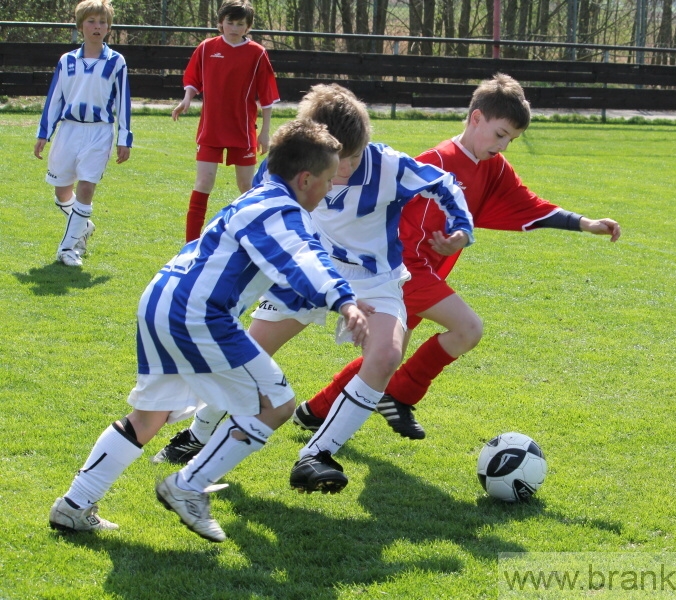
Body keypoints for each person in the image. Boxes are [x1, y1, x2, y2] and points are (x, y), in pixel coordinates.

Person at [48, 119, 369, 543]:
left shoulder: (261, 195)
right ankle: (187, 487)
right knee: (275, 403)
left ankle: (73, 505)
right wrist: (344, 300)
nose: (330, 189)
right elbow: (304, 257)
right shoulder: (279, 209)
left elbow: (294, 263)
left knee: (149, 415)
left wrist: (334, 295)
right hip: (198, 314)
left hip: (163, 298)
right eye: (327, 180)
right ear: (305, 178)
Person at [152, 84, 474, 494]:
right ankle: (197, 434)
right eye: (340, 159)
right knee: (245, 357)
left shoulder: (388, 166)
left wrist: (461, 231)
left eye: (355, 157)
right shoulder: (290, 165)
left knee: (387, 353)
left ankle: (316, 454)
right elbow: (254, 214)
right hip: (306, 274)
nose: (345, 168)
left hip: (375, 280)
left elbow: (444, 184)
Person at [297, 73, 622, 441]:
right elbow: (385, 219)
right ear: (476, 118)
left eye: (511, 140)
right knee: (468, 329)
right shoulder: (434, 161)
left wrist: (584, 223)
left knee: (386, 356)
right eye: (500, 134)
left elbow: (526, 204)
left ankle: (315, 411)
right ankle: (399, 395)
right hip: (403, 269)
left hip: (425, 274)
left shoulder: (493, 167)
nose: (504, 146)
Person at [33, 0, 132, 267]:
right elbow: (55, 98)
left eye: (102, 22)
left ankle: (68, 249)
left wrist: (125, 138)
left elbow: (123, 102)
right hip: (69, 130)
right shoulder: (67, 61)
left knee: (86, 186)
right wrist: (44, 133)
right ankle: (83, 226)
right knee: (61, 191)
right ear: (80, 26)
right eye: (91, 21)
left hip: (99, 133)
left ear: (109, 27)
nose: (97, 27)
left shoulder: (115, 62)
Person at [172, 0, 280, 242]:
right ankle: (189, 244)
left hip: (242, 130)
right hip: (211, 129)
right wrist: (186, 98)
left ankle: (260, 240)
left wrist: (265, 132)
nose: (233, 27)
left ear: (247, 27)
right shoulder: (206, 48)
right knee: (203, 181)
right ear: (221, 23)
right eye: (229, 22)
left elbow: (267, 96)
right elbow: (193, 79)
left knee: (246, 187)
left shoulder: (257, 53)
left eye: (239, 24)